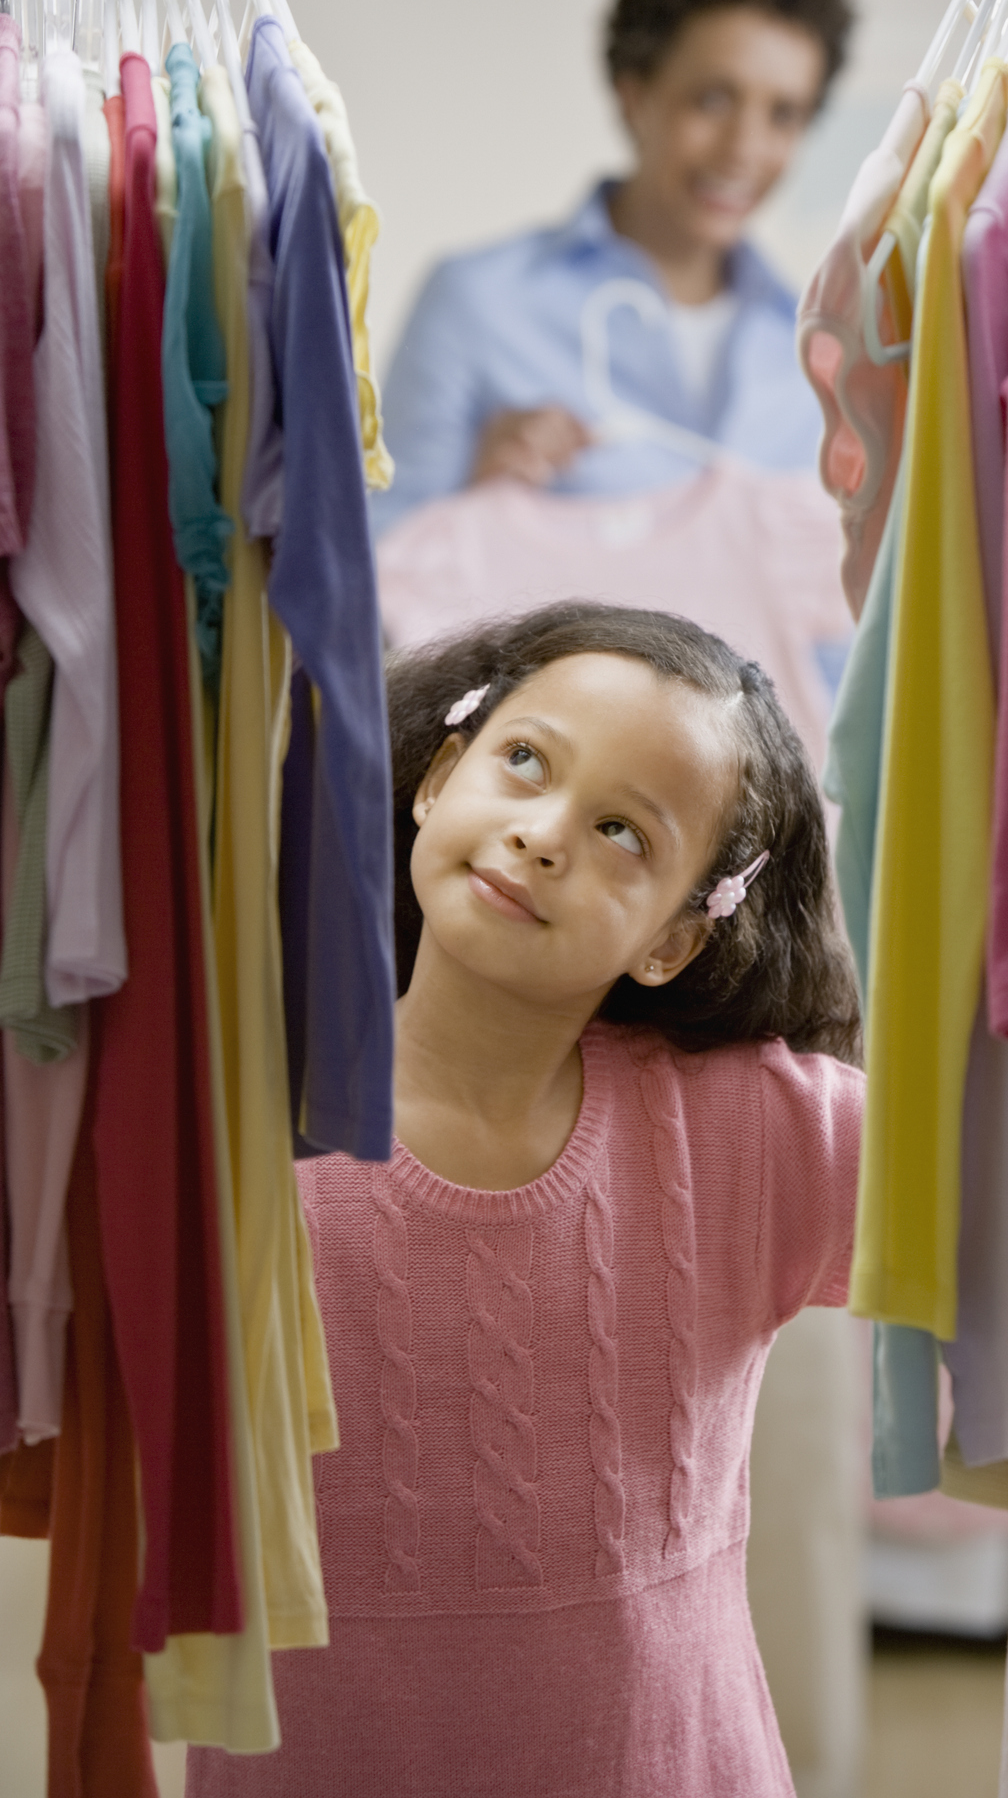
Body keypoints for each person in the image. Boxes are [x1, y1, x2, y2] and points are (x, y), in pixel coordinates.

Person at [188, 602, 864, 1798]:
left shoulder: (751, 1134)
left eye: (621, 830)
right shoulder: (225, 1123)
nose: (543, 834)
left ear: (674, 939)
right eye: (524, 761)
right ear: (436, 778)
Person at [369, 0, 853, 534]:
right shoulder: (476, 303)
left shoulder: (819, 354)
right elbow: (383, 566)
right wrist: (477, 493)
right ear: (634, 96)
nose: (744, 149)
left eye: (783, 115)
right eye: (712, 100)